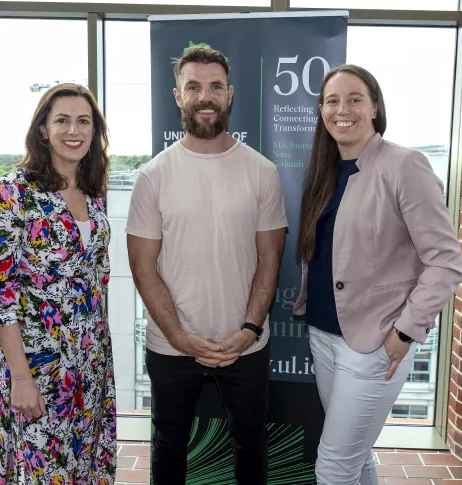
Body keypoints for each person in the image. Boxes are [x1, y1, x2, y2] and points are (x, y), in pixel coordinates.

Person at [126, 45, 288, 485]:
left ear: (230, 95)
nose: (205, 96)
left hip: (245, 344)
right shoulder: (152, 176)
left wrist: (248, 331)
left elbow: (269, 258)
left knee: (251, 444)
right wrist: (180, 337)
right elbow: (143, 267)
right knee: (169, 444)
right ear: (178, 97)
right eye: (193, 86)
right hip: (171, 344)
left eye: (215, 86)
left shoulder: (262, 172)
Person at [293, 63, 462, 485]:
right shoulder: (326, 171)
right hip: (324, 335)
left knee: (333, 467)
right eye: (331, 101)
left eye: (354, 99)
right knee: (356, 456)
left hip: (374, 344)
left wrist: (405, 331)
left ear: (374, 108)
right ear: (321, 110)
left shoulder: (404, 165)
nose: (341, 109)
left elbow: (446, 258)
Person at [0, 83, 117, 484]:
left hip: (89, 365)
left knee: (85, 470)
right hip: (37, 366)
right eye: (63, 120)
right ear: (43, 130)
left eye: (84, 121)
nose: (75, 130)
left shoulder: (93, 192)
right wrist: (21, 378)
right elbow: (0, 295)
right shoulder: (12, 192)